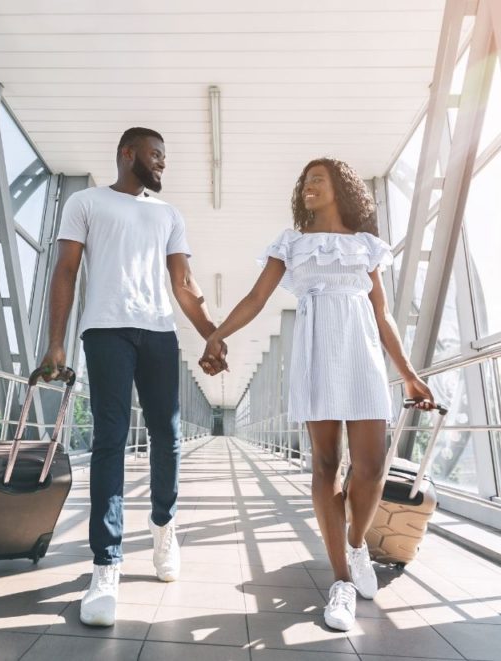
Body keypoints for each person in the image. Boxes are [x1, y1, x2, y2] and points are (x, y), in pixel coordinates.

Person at [199, 158, 435, 632]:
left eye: (318, 180)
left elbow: (383, 314)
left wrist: (409, 374)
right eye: (305, 181)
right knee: (326, 465)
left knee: (370, 466)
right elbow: (255, 299)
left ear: (340, 189)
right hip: (314, 354)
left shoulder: (368, 247)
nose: (308, 187)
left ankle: (355, 542)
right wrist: (216, 335)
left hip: (362, 355)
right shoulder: (291, 244)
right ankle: (342, 581)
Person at [38, 127, 226, 627]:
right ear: (128, 154)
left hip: (159, 333)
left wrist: (211, 332)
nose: (162, 164)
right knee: (111, 439)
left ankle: (163, 526)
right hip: (106, 331)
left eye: (164, 157)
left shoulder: (167, 214)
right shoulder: (86, 202)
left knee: (166, 437)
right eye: (155, 155)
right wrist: (56, 342)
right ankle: (106, 563)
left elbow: (183, 283)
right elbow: (65, 271)